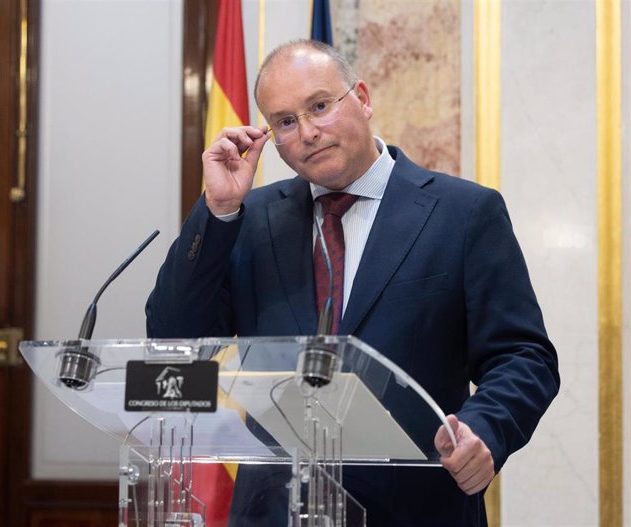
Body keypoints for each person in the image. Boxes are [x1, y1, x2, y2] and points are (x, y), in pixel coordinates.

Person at [146, 39, 559, 526]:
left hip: (416, 507)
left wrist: (485, 430)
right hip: (275, 510)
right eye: (284, 121)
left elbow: (523, 355)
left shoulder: (463, 213)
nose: (307, 132)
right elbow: (174, 333)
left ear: (361, 97)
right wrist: (216, 213)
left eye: (319, 106)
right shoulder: (250, 218)